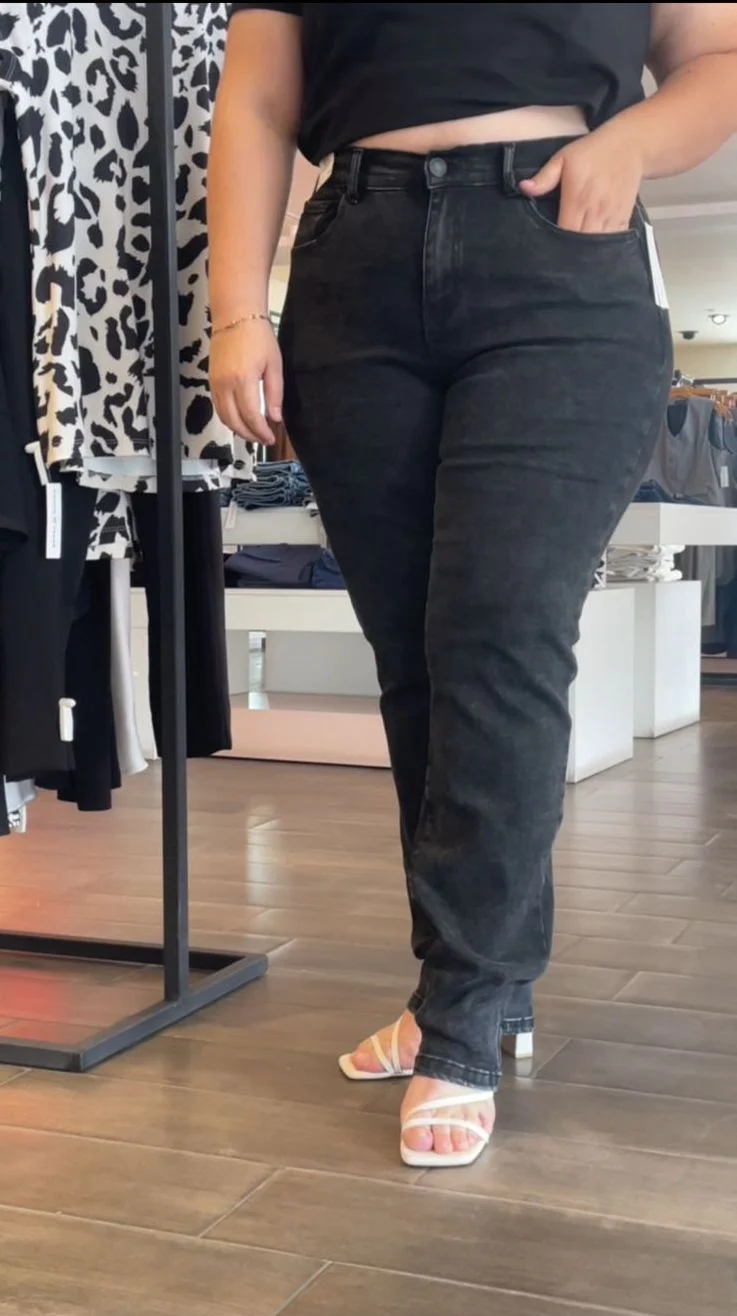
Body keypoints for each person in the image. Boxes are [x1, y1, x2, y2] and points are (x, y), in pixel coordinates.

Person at [209, 3, 737, 1168]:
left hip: (560, 250)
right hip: (352, 261)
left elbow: (717, 59)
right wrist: (236, 307)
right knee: (416, 662)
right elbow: (255, 95)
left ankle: (460, 1016)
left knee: (497, 635)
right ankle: (467, 984)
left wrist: (631, 141)